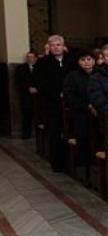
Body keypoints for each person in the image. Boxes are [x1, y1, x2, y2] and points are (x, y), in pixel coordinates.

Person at [33, 35, 70, 171]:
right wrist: (56, 93)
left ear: (63, 46)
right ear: (49, 47)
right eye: (53, 45)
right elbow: (39, 83)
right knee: (55, 133)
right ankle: (57, 163)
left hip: (69, 102)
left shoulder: (71, 61)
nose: (56, 48)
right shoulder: (42, 63)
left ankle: (72, 162)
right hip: (51, 103)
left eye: (58, 45)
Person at [62, 51, 96, 171]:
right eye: (83, 60)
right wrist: (86, 105)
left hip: (97, 109)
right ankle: (83, 162)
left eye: (89, 59)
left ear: (94, 61)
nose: (86, 62)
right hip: (80, 111)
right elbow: (69, 96)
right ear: (78, 62)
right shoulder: (72, 76)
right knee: (82, 126)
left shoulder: (98, 74)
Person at [14, 52, 37, 140]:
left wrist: (37, 88)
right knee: (26, 115)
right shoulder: (21, 68)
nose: (30, 59)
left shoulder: (40, 67)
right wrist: (28, 88)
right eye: (28, 57)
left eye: (32, 57)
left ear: (35, 58)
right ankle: (26, 134)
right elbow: (18, 81)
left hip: (38, 95)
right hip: (26, 95)